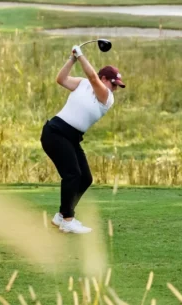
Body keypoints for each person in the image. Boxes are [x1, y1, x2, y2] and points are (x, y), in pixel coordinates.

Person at [40, 45, 125, 234]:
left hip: (71, 137)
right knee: (72, 174)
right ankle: (68, 219)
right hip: (55, 132)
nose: (115, 89)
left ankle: (62, 215)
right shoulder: (82, 83)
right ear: (105, 79)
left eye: (117, 86)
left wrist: (81, 55)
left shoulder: (107, 98)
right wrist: (72, 59)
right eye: (113, 84)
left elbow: (93, 77)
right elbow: (60, 79)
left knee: (85, 178)